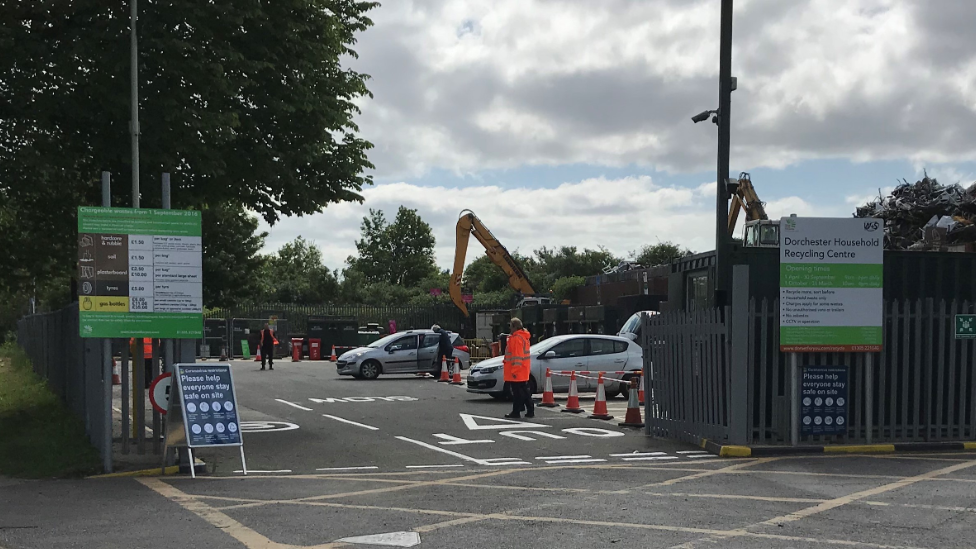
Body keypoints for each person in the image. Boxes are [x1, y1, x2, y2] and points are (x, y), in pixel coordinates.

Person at [503, 317, 533, 419]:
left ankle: (516, 412)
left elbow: (517, 356)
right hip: (523, 368)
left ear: (514, 327)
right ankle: (529, 410)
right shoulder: (523, 337)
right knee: (524, 390)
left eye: (510, 326)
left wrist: (514, 370)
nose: (509, 329)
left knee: (517, 393)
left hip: (517, 370)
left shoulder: (516, 339)